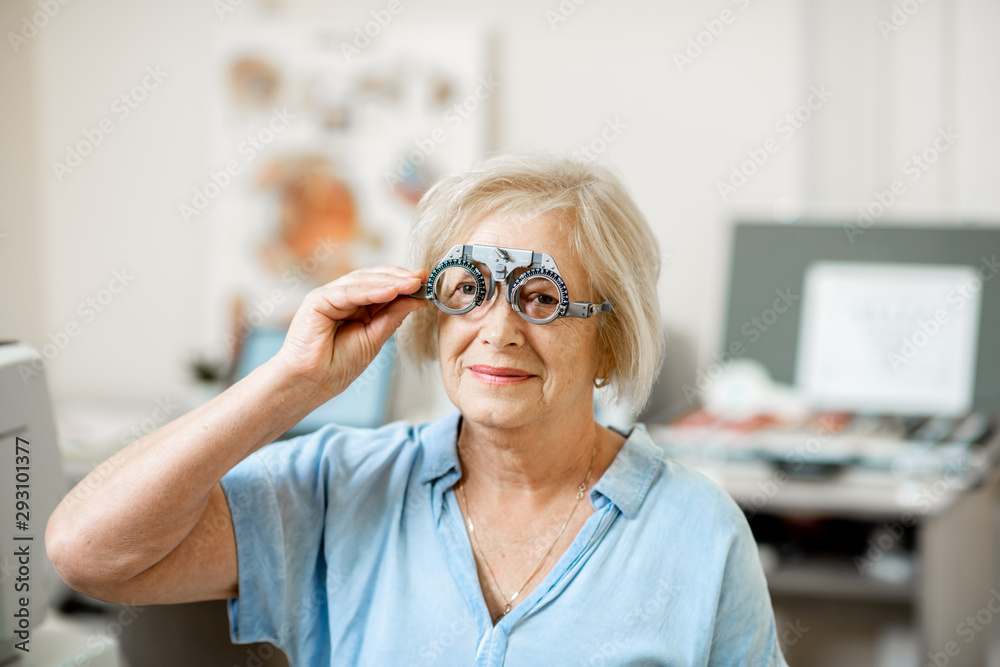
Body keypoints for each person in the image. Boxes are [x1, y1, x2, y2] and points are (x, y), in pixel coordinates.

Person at [46, 154, 789, 666]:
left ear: (609, 338)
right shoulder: (343, 485)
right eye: (469, 289)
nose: (498, 329)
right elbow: (88, 551)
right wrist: (291, 381)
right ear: (434, 313)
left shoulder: (696, 531)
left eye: (540, 297)